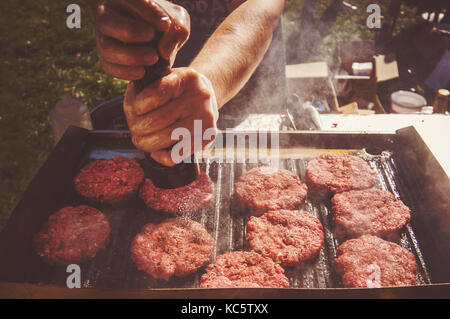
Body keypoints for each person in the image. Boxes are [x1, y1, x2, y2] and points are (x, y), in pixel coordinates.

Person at [94, 0, 286, 166]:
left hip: (251, 94)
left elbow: (260, 9)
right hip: (170, 89)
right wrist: (127, 19)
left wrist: (205, 84)